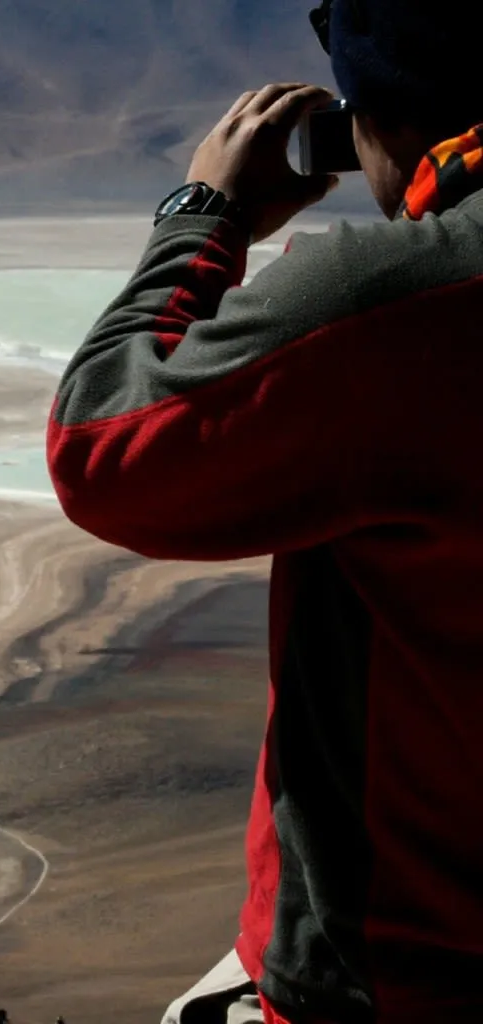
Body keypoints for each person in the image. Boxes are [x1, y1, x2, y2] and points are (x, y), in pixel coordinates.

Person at [46, 2, 483, 1022]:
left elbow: (101, 449)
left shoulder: (405, 302)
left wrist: (205, 212)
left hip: (401, 977)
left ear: (389, 119)